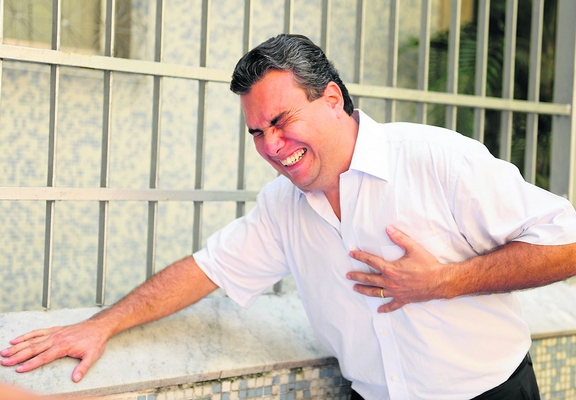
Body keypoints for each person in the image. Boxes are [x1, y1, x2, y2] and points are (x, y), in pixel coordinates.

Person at [2, 34, 576, 400]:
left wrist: (443, 281)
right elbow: (203, 271)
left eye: (281, 121)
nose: (271, 145)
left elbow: (567, 244)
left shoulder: (437, 159)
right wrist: (98, 326)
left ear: (332, 99)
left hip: (491, 393)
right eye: (257, 132)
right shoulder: (282, 205)